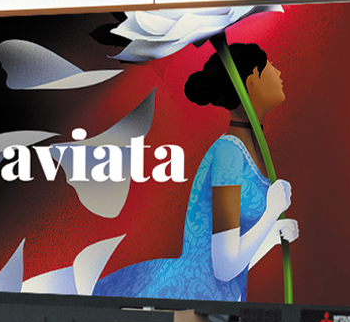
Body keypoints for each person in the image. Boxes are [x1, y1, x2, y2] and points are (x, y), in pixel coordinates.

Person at [93, 43, 297, 303]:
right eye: (269, 66)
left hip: (218, 300)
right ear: (252, 81)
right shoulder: (229, 153)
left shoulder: (244, 149)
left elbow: (230, 266)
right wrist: (271, 213)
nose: (278, 72)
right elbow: (223, 268)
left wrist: (270, 237)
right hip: (192, 299)